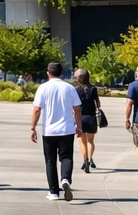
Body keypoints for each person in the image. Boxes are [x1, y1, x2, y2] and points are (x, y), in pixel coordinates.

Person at [31, 61, 82, 201]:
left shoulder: (43, 88)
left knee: (50, 161)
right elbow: (77, 109)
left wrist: (33, 128)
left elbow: (37, 109)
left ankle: (53, 192)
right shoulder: (69, 88)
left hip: (49, 131)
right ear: (62, 73)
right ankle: (65, 180)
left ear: (48, 73)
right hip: (66, 130)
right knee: (66, 157)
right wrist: (79, 126)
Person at [74, 67, 101, 173]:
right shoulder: (93, 89)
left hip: (80, 118)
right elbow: (98, 103)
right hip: (91, 117)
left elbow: (74, 105)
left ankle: (84, 160)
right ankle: (90, 159)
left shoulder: (76, 90)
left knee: (82, 141)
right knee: (90, 141)